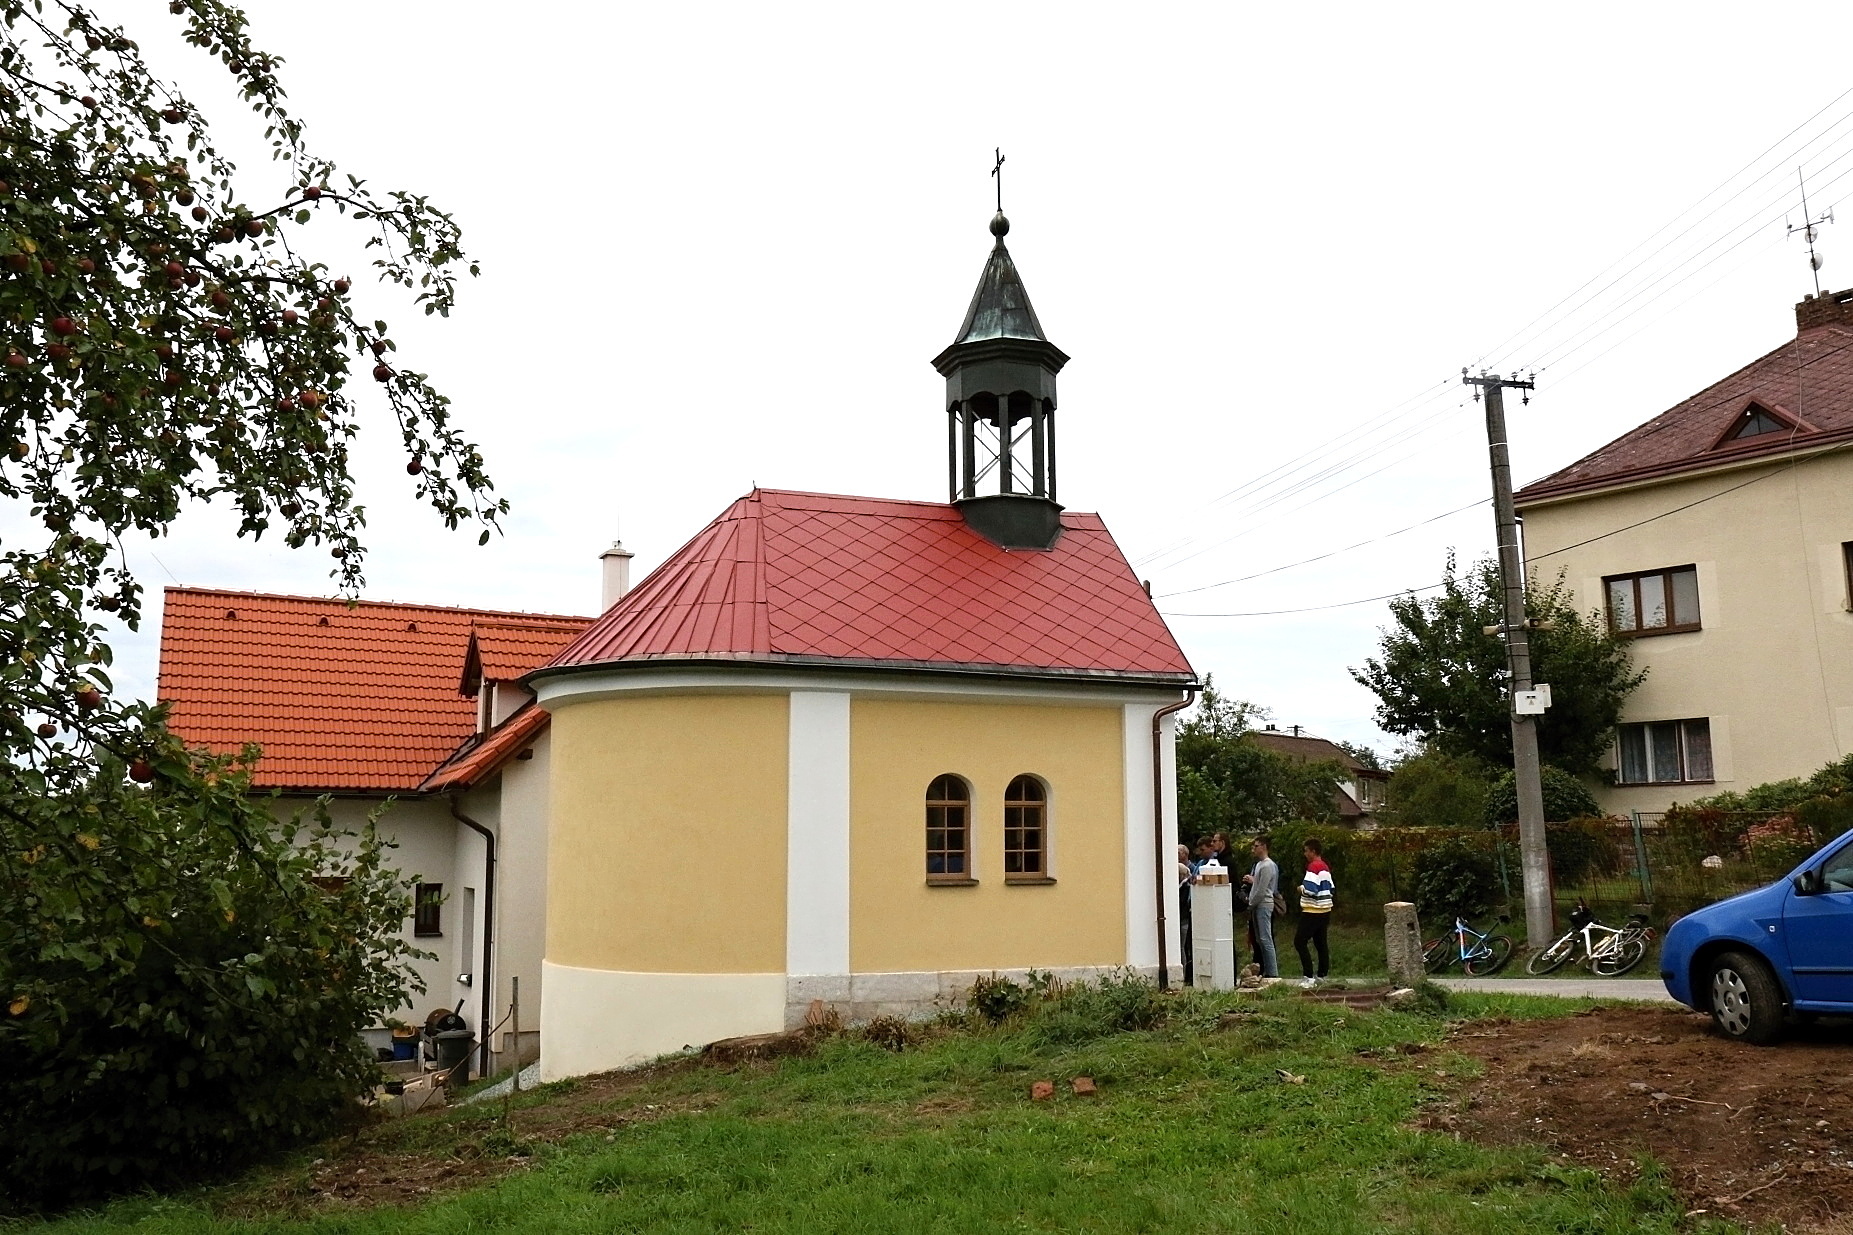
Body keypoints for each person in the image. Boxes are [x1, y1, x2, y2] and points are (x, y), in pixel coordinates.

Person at [1295, 837, 1335, 988]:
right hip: (1325, 909)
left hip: (1312, 910)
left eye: (1306, 851)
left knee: (1299, 941)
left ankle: (1308, 976)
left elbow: (1311, 889)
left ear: (1313, 851)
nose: (1305, 854)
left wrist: (1301, 889)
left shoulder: (1313, 867)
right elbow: (1331, 888)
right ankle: (1322, 975)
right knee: (1321, 943)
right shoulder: (1325, 866)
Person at [1242, 834, 1280, 979]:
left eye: (1256, 846)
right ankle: (1266, 969)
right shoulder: (1258, 865)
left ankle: (1272, 972)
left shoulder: (1268, 865)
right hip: (1257, 904)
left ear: (1263, 847)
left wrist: (1251, 903)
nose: (1254, 848)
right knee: (1259, 940)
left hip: (1264, 904)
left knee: (1266, 938)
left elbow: (1262, 889)